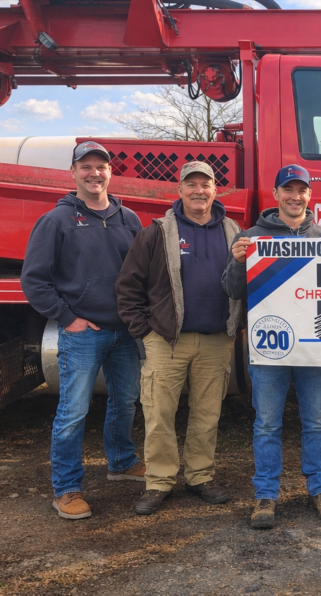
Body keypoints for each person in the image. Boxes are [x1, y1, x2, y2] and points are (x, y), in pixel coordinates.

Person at [21, 140, 144, 520]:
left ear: (110, 172)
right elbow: (34, 280)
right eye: (86, 167)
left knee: (126, 402)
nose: (94, 173)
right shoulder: (56, 221)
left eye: (101, 166)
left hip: (125, 333)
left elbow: (142, 275)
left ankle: (121, 461)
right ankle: (66, 489)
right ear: (73, 172)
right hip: (83, 333)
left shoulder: (129, 219)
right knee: (74, 411)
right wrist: (67, 318)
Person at [116, 161, 243, 515]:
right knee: (159, 414)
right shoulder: (157, 232)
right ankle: (159, 481)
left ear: (215, 190)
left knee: (207, 414)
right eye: (191, 184)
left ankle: (200, 476)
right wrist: (144, 331)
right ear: (180, 190)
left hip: (216, 340)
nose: (198, 191)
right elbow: (128, 286)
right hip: (166, 341)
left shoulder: (234, 232)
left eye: (205, 184)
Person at [222, 164, 321, 529]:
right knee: (266, 424)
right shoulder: (252, 237)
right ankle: (265, 495)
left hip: (314, 347)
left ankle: (320, 489)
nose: (295, 196)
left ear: (310, 195)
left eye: (301, 189)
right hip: (269, 348)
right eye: (287, 189)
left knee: (316, 421)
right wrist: (239, 263)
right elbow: (232, 290)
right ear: (275, 194)